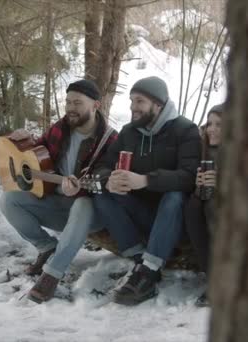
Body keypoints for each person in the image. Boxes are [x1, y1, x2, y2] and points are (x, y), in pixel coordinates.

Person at [0, 79, 117, 303]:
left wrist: (81, 188)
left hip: (91, 212)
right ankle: (47, 247)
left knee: (83, 204)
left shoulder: (110, 139)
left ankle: (52, 275)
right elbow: (36, 155)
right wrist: (23, 140)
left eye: (78, 103)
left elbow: (106, 176)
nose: (71, 108)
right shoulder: (60, 128)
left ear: (96, 106)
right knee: (9, 200)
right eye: (68, 102)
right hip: (58, 205)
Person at [93, 76, 201, 305]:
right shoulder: (128, 132)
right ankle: (138, 258)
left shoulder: (185, 130)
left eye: (139, 101)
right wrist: (108, 180)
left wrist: (145, 180)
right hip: (141, 215)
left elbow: (189, 177)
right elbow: (102, 167)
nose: (133, 107)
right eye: (131, 101)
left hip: (173, 219)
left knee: (174, 196)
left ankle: (150, 272)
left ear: (158, 104)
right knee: (102, 192)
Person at [184, 104, 223, 307]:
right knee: (194, 205)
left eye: (219, 124)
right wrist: (198, 183)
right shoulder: (202, 148)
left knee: (211, 206)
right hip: (206, 202)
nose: (212, 129)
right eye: (209, 124)